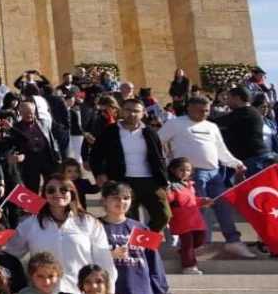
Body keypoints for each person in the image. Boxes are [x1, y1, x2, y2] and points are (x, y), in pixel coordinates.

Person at [158, 95, 252, 257]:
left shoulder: (211, 126)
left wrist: (235, 163)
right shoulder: (175, 123)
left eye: (207, 110)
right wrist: (167, 163)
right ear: (189, 108)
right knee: (196, 211)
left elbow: (221, 149)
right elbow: (157, 141)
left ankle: (233, 241)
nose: (204, 113)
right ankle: (191, 244)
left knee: (223, 208)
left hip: (214, 173)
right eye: (200, 110)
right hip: (191, 175)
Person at [5, 175, 116, 294]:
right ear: (44, 194)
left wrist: (109, 291)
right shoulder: (30, 224)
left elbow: (103, 259)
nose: (57, 193)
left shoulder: (90, 223)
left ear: (72, 193)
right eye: (51, 190)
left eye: (63, 190)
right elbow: (11, 255)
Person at [89, 98, 171, 232]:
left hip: (150, 181)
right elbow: (96, 155)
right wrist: (99, 174)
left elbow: (159, 158)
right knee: (129, 219)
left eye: (136, 111)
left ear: (143, 113)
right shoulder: (109, 131)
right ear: (121, 111)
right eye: (128, 110)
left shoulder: (150, 133)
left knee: (163, 216)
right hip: (122, 180)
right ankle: (133, 249)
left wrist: (165, 179)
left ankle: (142, 242)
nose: (131, 114)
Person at [166, 158, 211, 274]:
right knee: (188, 243)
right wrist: (167, 191)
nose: (185, 173)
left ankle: (185, 253)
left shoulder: (190, 185)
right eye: (181, 170)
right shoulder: (172, 186)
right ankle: (189, 266)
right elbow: (169, 199)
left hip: (195, 218)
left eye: (188, 170)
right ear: (173, 170)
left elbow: (193, 200)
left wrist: (203, 201)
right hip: (182, 219)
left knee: (201, 239)